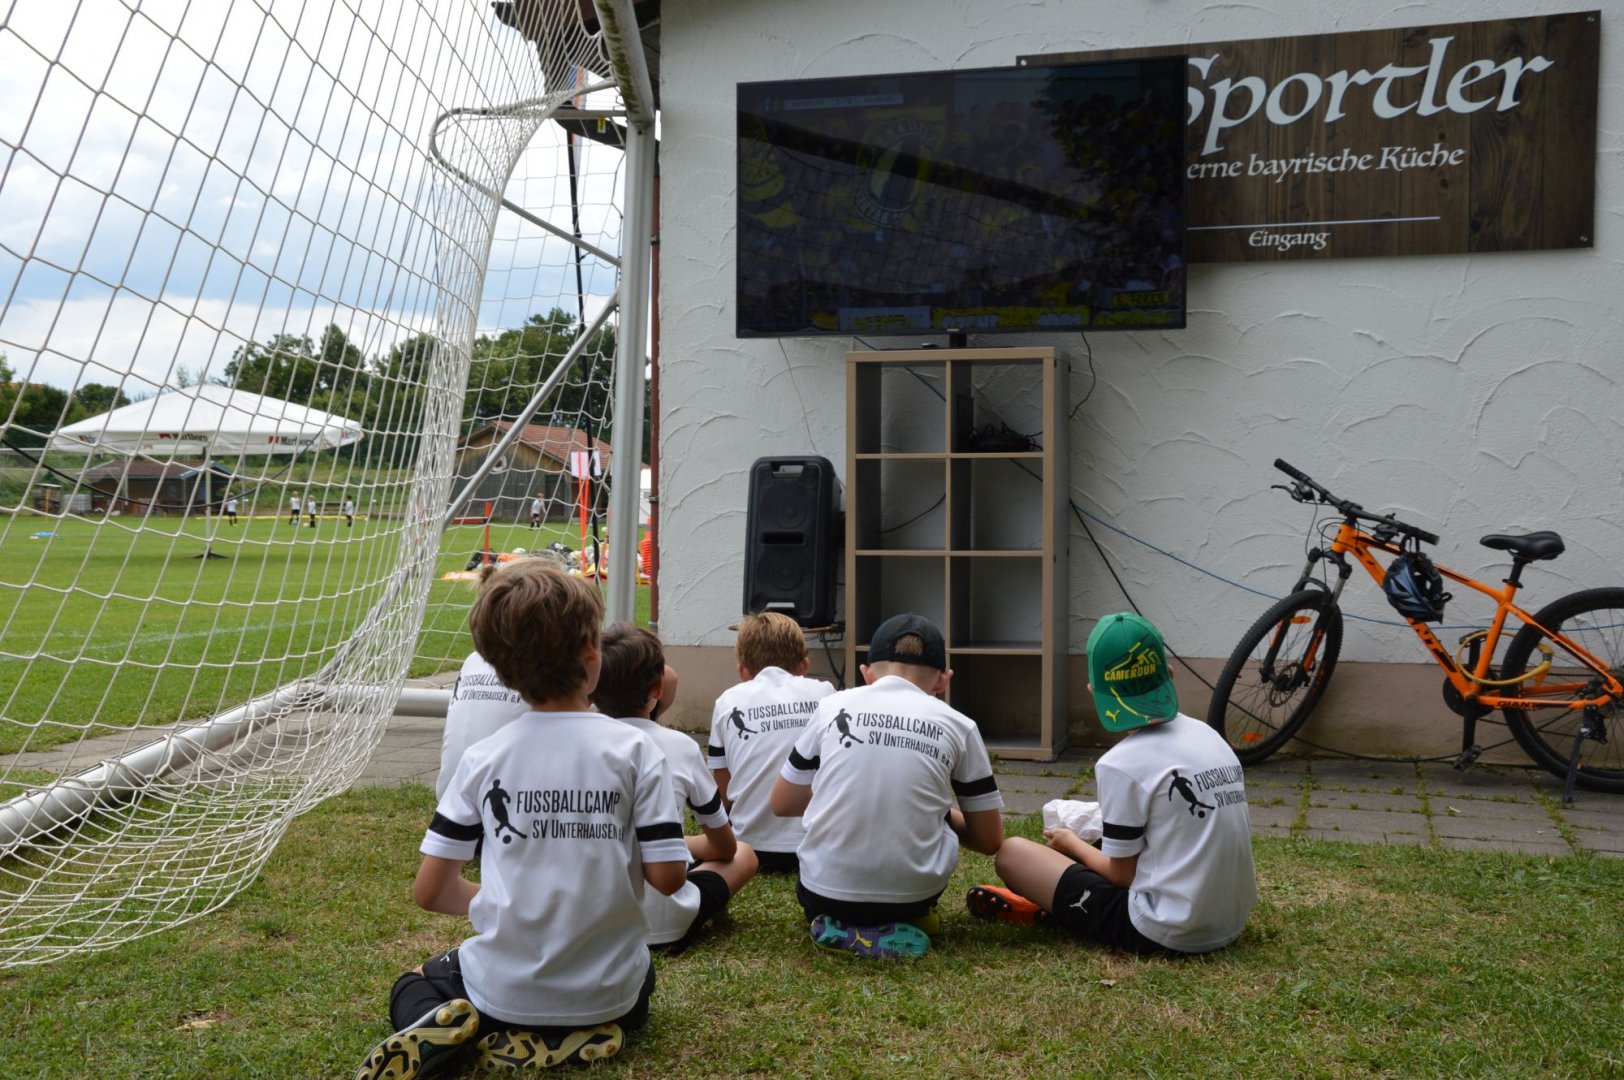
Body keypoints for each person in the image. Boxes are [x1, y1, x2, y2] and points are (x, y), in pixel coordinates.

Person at [354, 562, 689, 1079]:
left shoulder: (484, 758)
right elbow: (668, 878)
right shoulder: (637, 751)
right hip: (610, 992)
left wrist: (508, 905)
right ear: (591, 654)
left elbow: (431, 891)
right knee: (641, 980)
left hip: (503, 991)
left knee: (414, 980)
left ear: (498, 668)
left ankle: (464, 1030)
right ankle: (582, 1034)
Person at [967, 612, 1256, 956]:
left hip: (1166, 931)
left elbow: (1121, 876)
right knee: (1111, 841)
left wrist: (1072, 844)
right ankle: (1056, 897)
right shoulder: (1210, 736)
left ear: (1094, 691)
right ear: (1170, 674)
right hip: (1231, 921)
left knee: (1013, 854)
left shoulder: (1120, 763)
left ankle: (1049, 904)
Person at [770, 613, 1003, 959]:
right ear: (943, 681)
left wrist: (839, 796)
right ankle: (908, 921)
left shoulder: (830, 707)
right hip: (913, 896)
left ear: (866, 675)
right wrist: (941, 813)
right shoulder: (960, 725)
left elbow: (782, 803)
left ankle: (843, 926)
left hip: (822, 892)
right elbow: (989, 840)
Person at [598, 622, 758, 951]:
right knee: (744, 853)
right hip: (666, 923)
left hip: (595, 923)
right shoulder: (680, 746)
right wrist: (674, 843)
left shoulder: (578, 744)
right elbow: (725, 849)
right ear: (657, 689)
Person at [707, 612, 834, 874]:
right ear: (805, 665)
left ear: (743, 672)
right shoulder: (825, 694)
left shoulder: (727, 701)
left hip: (749, 847)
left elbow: (723, 794)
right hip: (816, 844)